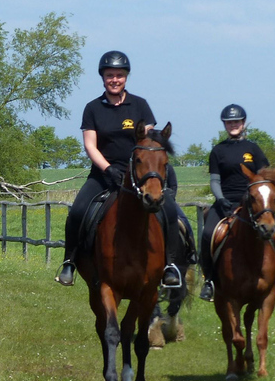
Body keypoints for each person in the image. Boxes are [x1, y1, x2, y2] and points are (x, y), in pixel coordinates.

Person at [55, 51, 182, 288]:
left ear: (126, 78)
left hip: (140, 174)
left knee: (170, 211)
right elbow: (90, 145)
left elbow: (150, 141)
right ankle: (70, 261)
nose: (115, 79)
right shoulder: (92, 108)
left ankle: (169, 265)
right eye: (110, 75)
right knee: (77, 211)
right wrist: (108, 168)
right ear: (103, 78)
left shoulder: (140, 105)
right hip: (104, 174)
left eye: (119, 75)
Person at [198, 104, 275, 301]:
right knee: (208, 235)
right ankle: (209, 280)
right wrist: (221, 200)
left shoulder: (253, 148)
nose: (233, 125)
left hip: (254, 205)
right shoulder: (218, 151)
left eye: (236, 121)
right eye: (229, 122)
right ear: (225, 125)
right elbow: (215, 181)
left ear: (243, 123)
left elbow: (266, 177)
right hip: (226, 202)